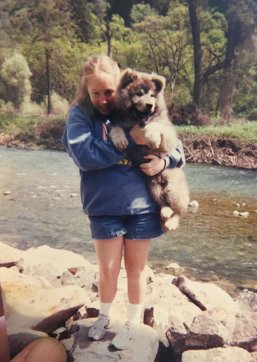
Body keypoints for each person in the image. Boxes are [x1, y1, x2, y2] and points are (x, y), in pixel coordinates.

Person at [62, 55, 186, 350]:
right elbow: (85, 157)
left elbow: (177, 148)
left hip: (141, 206)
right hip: (103, 206)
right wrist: (131, 137)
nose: (104, 99)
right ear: (87, 91)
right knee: (107, 270)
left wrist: (163, 161)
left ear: (121, 88)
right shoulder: (80, 116)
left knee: (136, 271)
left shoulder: (141, 110)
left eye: (109, 92)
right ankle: (104, 316)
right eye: (96, 93)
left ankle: (132, 321)